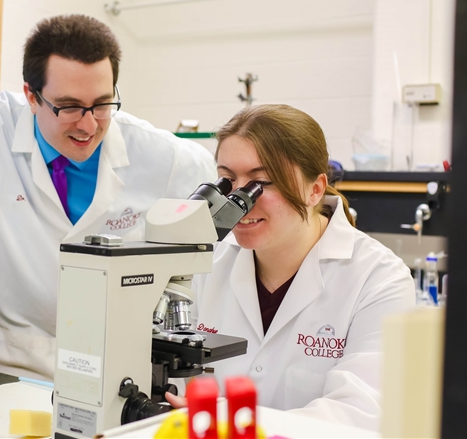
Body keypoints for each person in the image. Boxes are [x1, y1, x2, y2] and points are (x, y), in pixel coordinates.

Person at [0, 15, 217, 405]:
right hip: (13, 361)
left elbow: (206, 244)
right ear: (31, 95)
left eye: (103, 104)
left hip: (121, 368)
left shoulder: (165, 156)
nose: (89, 125)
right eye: (69, 107)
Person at [165, 104, 415, 431]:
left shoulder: (377, 278)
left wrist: (237, 423)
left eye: (261, 183)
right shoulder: (207, 262)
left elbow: (363, 413)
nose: (238, 201)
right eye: (227, 180)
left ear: (315, 189)